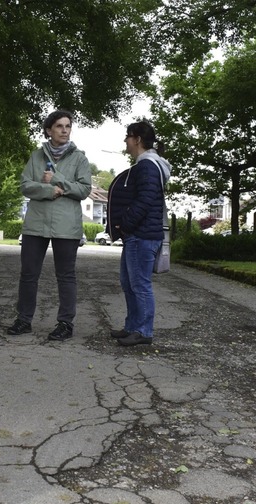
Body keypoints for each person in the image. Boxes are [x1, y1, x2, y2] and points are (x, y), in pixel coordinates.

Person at [7, 110, 92, 341]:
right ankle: (23, 320)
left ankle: (65, 323)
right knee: (28, 274)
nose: (65, 130)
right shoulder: (36, 156)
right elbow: (25, 186)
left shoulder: (80, 158)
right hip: (36, 224)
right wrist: (48, 190)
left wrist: (57, 180)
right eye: (59, 126)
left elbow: (84, 190)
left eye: (68, 126)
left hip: (67, 227)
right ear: (49, 130)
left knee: (65, 276)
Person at [107, 121, 171, 346]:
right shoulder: (146, 165)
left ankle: (143, 331)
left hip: (141, 235)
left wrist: (125, 225)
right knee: (129, 283)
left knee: (140, 284)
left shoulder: (147, 166)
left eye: (128, 136)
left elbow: (144, 200)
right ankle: (133, 326)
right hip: (138, 235)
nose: (125, 140)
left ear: (137, 140)